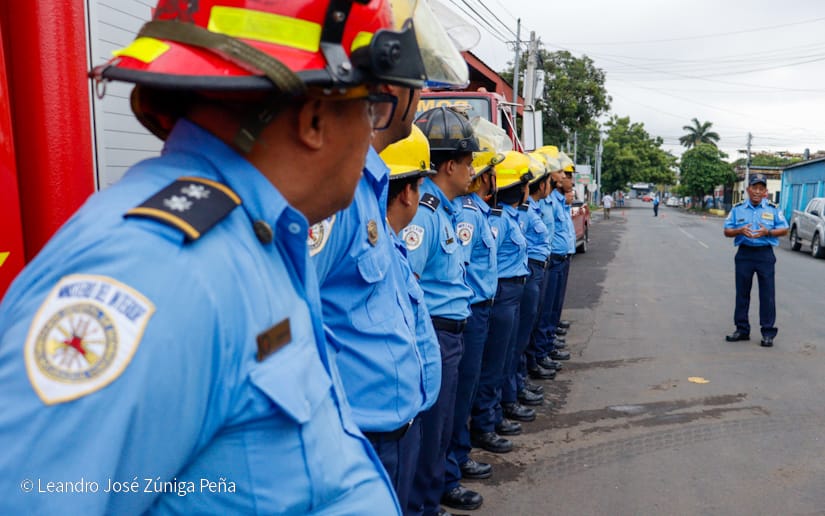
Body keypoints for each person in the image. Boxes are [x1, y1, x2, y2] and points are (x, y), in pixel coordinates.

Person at [0, 1, 422, 513]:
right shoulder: (159, 271)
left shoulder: (256, 236)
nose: (371, 135)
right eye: (371, 109)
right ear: (314, 119)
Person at [308, 1, 468, 507]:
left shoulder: (365, 187)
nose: (420, 95)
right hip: (364, 437)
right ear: (385, 90)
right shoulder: (333, 196)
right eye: (413, 80)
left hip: (397, 427)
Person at [405, 106, 479, 515]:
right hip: (434, 332)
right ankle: (423, 507)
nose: (473, 172)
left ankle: (431, 500)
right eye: (468, 164)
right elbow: (408, 283)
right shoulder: (426, 215)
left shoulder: (446, 211)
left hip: (451, 331)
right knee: (431, 432)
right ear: (449, 165)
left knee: (443, 427)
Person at [443, 124, 501, 495]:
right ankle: (450, 469)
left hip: (472, 310)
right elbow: (458, 268)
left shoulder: (473, 210)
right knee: (456, 399)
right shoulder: (464, 214)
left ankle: (456, 460)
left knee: (464, 392)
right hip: (465, 312)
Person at [470, 151, 533, 454]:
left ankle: (491, 415)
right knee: (493, 364)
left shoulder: (501, 215)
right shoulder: (494, 218)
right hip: (500, 293)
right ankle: (485, 422)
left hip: (508, 293)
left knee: (503, 358)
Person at [723, 174, 788, 347]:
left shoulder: (773, 209)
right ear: (748, 190)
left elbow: (784, 229)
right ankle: (742, 329)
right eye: (754, 188)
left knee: (767, 295)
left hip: (765, 255)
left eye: (761, 188)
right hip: (744, 254)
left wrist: (768, 232)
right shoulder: (737, 209)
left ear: (766, 191)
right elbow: (726, 231)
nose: (757, 192)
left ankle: (768, 332)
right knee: (742, 294)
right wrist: (739, 231)